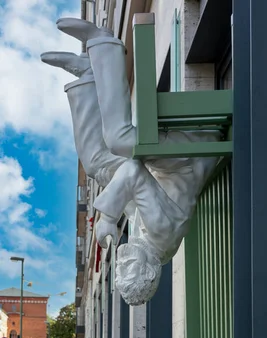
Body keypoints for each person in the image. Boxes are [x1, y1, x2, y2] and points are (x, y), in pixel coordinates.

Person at [41, 18, 219, 306]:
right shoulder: (161, 234)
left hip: (166, 166)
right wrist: (108, 216)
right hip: (189, 157)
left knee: (99, 166)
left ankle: (88, 74)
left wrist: (110, 189)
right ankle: (105, 44)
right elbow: (133, 171)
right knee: (120, 139)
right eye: (129, 269)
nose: (122, 262)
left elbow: (128, 182)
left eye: (120, 270)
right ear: (149, 271)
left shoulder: (150, 245)